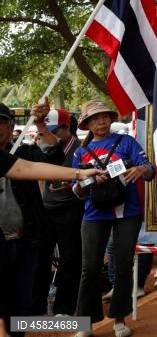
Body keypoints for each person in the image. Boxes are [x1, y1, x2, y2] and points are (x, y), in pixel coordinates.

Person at [71, 100, 155, 337]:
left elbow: (149, 169)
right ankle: (84, 324)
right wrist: (87, 181)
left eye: (106, 116)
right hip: (93, 214)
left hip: (127, 213)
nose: (102, 121)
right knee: (89, 268)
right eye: (96, 118)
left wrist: (142, 169)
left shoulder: (126, 141)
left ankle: (119, 319)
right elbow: (75, 190)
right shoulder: (79, 152)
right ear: (87, 124)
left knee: (123, 266)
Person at [0, 100, 64, 332]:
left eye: (2, 122)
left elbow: (54, 159)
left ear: (10, 126)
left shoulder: (24, 152)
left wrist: (40, 125)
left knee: (23, 302)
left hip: (28, 241)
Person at [40, 109, 84, 316]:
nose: (47, 135)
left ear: (67, 127)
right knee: (41, 256)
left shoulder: (79, 149)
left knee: (70, 257)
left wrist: (71, 186)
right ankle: (36, 306)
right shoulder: (46, 146)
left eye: (52, 130)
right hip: (47, 209)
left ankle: (65, 308)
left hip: (70, 209)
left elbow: (85, 182)